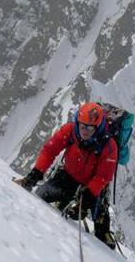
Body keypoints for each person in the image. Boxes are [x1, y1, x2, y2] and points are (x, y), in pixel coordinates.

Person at [15, 101, 119, 248]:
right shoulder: (70, 131)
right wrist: (35, 174)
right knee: (40, 196)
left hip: (93, 186)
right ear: (78, 122)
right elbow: (49, 151)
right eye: (82, 126)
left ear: (99, 127)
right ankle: (64, 204)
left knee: (101, 232)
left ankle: (105, 239)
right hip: (69, 175)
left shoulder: (109, 146)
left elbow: (103, 177)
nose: (85, 131)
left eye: (90, 128)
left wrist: (87, 196)